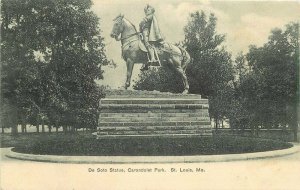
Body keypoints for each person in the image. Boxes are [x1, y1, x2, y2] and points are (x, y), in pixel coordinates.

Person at [139, 5, 164, 71]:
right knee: (142, 46)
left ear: (152, 11)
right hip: (143, 32)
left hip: (147, 32)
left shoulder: (151, 16)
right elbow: (141, 25)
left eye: (148, 10)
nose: (146, 11)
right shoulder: (148, 17)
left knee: (147, 44)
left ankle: (153, 59)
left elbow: (143, 22)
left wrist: (142, 23)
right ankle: (145, 62)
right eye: (146, 10)